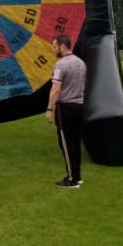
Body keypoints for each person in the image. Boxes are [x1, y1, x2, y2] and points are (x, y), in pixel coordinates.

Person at [45, 34, 86, 188]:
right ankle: (77, 175)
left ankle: (72, 179)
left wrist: (49, 109)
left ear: (62, 46)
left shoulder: (60, 65)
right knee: (75, 142)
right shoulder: (81, 63)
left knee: (67, 144)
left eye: (55, 47)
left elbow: (55, 89)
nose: (54, 50)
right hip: (80, 106)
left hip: (66, 108)